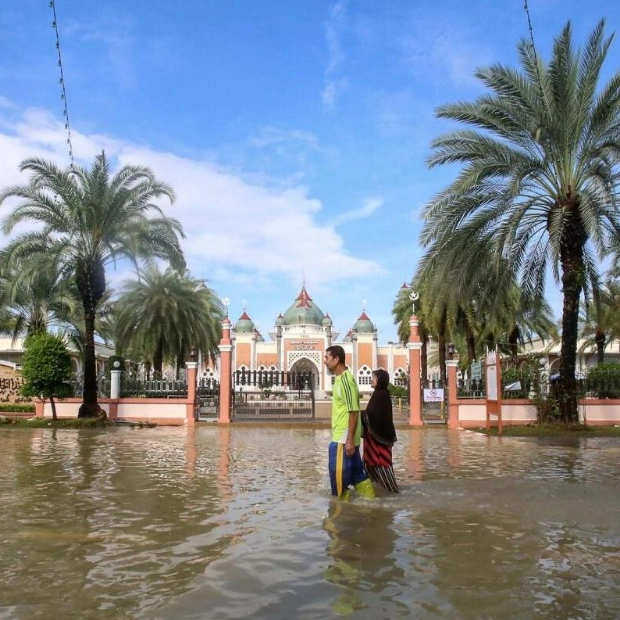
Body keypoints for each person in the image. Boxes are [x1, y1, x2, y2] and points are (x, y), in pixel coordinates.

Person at [324, 345, 375, 500]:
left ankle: (338, 515)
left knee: (338, 479)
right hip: (345, 436)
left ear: (336, 359)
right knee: (356, 474)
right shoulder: (340, 379)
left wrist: (349, 440)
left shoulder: (346, 380)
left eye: (327, 358)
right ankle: (371, 503)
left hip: (343, 438)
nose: (325, 362)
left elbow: (353, 411)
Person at [361, 369, 399, 493]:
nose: (371, 380)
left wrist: (361, 415)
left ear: (380, 380)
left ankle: (392, 493)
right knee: (370, 468)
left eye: (374, 378)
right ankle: (375, 493)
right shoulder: (378, 394)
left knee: (383, 467)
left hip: (379, 443)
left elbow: (376, 417)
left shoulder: (381, 395)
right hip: (373, 443)